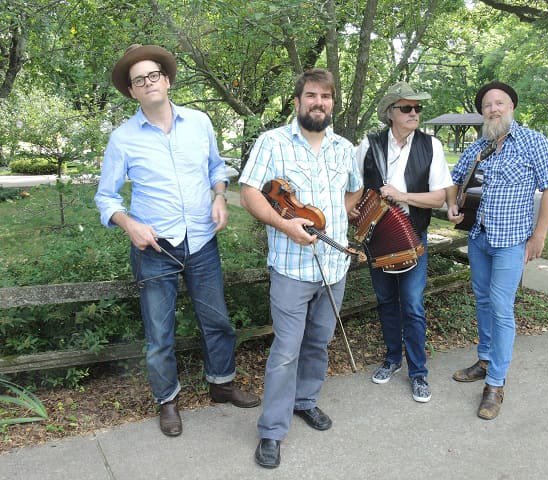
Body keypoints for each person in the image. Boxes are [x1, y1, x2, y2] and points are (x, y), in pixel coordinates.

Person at [94, 44, 260, 437]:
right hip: (155, 249)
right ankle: (167, 399)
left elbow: (216, 168)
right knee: (159, 334)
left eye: (154, 75)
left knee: (217, 321)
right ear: (132, 92)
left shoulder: (199, 122)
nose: (148, 83)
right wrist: (127, 222)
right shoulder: (122, 139)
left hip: (202, 242)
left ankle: (221, 383)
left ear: (167, 81)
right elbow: (106, 196)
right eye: (139, 80)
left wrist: (219, 195)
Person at [239, 68, 363, 469]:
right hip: (291, 270)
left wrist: (336, 220)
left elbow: (355, 188)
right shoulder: (272, 142)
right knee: (287, 351)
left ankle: (305, 401)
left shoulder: (344, 147)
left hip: (333, 266)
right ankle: (272, 431)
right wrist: (284, 225)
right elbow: (249, 194)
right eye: (311, 96)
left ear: (332, 104)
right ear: (297, 102)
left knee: (318, 343)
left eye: (325, 97)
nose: (318, 103)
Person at [445, 81, 548, 420]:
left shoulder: (532, 141)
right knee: (482, 299)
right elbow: (455, 178)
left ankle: (495, 383)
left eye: (500, 103)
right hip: (479, 238)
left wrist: (539, 235)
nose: (493, 109)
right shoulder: (479, 145)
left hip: (512, 241)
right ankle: (484, 360)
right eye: (487, 105)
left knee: (500, 305)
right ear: (482, 112)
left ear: (512, 107)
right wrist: (453, 205)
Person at [353, 82, 453, 403]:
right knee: (385, 301)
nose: (414, 113)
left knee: (412, 304)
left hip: (412, 236)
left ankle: (418, 372)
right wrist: (354, 208)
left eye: (417, 108)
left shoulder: (431, 146)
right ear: (390, 113)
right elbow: (353, 189)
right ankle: (393, 359)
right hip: (377, 240)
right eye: (407, 108)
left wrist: (402, 196)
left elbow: (439, 197)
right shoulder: (368, 146)